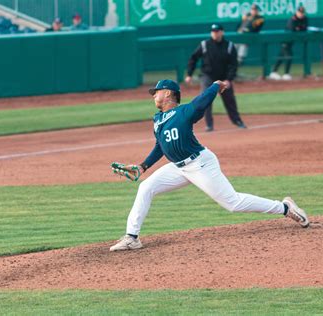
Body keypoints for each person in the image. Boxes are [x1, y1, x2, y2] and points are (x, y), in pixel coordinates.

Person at [109, 79, 310, 251]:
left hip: (199, 164)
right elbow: (160, 146)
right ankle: (132, 238)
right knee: (146, 187)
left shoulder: (184, 112)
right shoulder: (158, 120)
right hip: (178, 168)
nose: (153, 95)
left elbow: (200, 103)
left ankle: (285, 208)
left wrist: (215, 86)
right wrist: (143, 166)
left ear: (168, 93)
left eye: (156, 92)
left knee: (233, 203)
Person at [185, 23, 246, 132]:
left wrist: (229, 79)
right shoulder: (204, 44)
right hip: (208, 76)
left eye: (217, 31)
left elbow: (233, 64)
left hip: (223, 77)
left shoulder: (229, 45)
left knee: (230, 100)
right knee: (206, 99)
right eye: (213, 31)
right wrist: (189, 74)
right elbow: (193, 58)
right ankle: (209, 124)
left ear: (222, 32)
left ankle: (237, 121)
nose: (215, 33)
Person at [268, 5, 308, 81]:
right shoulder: (292, 19)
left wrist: (299, 28)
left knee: (281, 55)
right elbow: (292, 29)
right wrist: (299, 28)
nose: (301, 14)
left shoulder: (305, 19)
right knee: (288, 55)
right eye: (300, 12)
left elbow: (304, 28)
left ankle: (273, 72)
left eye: (302, 13)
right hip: (285, 40)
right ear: (296, 12)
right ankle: (286, 74)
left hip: (291, 41)